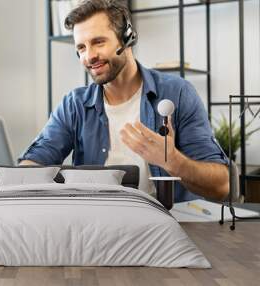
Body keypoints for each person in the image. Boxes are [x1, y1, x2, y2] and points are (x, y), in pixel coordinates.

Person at [18, 0, 229, 202]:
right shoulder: (75, 104)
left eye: (98, 42)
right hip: (96, 226)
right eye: (81, 48)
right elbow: (39, 157)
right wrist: (19, 178)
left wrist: (172, 161)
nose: (89, 56)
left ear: (127, 38)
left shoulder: (177, 93)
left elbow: (222, 186)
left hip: (164, 227)